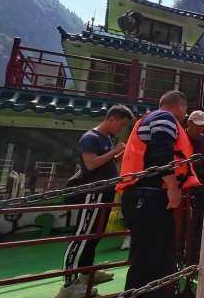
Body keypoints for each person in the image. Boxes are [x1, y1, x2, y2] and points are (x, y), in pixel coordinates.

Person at [118, 91, 201, 298]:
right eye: (185, 110)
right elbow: (161, 151)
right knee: (148, 258)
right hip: (150, 197)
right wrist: (172, 187)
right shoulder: (164, 118)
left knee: (157, 256)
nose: (184, 115)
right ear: (180, 106)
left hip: (145, 196)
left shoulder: (151, 118)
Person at [56, 105, 134, 298]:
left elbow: (103, 163)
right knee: (82, 237)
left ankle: (87, 272)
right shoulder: (91, 138)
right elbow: (91, 164)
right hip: (93, 193)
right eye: (121, 125)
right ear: (112, 119)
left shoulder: (106, 138)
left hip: (105, 192)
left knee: (94, 236)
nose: (121, 129)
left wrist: (117, 155)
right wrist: (115, 150)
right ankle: (68, 285)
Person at [185, 110, 204, 265]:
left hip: (200, 187)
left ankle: (195, 256)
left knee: (199, 222)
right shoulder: (180, 137)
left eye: (202, 126)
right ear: (189, 123)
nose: (200, 129)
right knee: (183, 224)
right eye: (197, 126)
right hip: (184, 186)